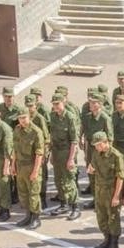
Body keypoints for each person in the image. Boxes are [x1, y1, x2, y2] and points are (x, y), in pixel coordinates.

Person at [88, 131, 124, 248]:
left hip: (111, 190)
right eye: (95, 145)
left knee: (113, 217)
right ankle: (107, 239)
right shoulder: (96, 153)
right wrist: (91, 169)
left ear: (106, 142)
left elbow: (120, 177)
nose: (97, 147)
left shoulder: (116, 156)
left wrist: (116, 196)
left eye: (99, 145)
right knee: (101, 216)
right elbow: (92, 167)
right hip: (99, 189)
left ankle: (114, 243)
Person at [48, 93, 80, 221]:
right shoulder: (53, 116)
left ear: (63, 103)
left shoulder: (70, 117)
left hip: (67, 152)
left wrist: (71, 158)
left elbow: (74, 141)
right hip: (56, 152)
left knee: (69, 181)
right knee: (58, 180)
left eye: (58, 104)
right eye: (54, 104)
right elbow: (52, 136)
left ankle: (75, 206)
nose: (56, 106)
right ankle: (63, 204)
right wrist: (51, 153)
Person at [12, 107, 45, 230]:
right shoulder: (17, 130)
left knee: (33, 193)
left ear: (29, 117)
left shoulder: (36, 132)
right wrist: (13, 165)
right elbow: (15, 149)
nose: (22, 120)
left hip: (31, 165)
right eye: (20, 118)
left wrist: (35, 171)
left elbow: (39, 154)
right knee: (23, 192)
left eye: (24, 117)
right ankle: (28, 215)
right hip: (20, 166)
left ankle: (36, 217)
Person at [25, 94, 50, 210]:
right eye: (28, 106)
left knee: (42, 176)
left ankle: (43, 198)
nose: (30, 108)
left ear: (36, 106)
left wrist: (45, 153)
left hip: (39, 152)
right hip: (28, 153)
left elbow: (46, 137)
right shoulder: (24, 118)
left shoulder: (39, 118)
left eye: (32, 106)